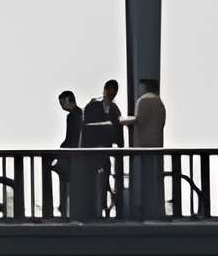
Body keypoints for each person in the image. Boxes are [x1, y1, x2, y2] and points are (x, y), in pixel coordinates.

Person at [81, 79, 124, 216]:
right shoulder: (94, 105)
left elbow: (118, 130)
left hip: (105, 150)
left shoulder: (114, 109)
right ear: (104, 90)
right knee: (93, 179)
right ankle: (95, 207)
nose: (111, 94)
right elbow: (85, 127)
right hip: (92, 150)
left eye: (114, 92)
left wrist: (120, 147)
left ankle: (103, 206)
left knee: (105, 176)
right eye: (109, 91)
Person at [127, 79, 165, 218]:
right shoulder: (159, 102)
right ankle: (156, 207)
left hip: (143, 146)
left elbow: (139, 119)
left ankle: (142, 208)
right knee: (155, 177)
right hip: (157, 145)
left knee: (144, 178)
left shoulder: (143, 101)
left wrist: (123, 120)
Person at [50, 88, 81, 216]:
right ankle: (65, 206)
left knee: (64, 177)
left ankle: (63, 207)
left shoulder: (73, 116)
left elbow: (70, 138)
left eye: (62, 103)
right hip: (76, 155)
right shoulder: (81, 114)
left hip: (72, 156)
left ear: (69, 100)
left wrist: (59, 151)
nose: (62, 106)